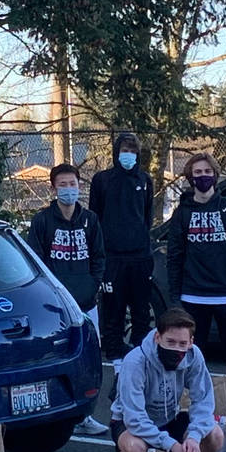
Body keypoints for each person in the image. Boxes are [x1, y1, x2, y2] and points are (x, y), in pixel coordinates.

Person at [111, 308, 222, 452]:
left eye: (182, 344)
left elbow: (203, 401)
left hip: (169, 417)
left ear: (191, 342)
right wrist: (172, 445)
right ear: (157, 337)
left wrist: (194, 436)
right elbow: (134, 417)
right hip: (130, 422)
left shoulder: (193, 355)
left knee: (215, 436)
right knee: (135, 449)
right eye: (170, 342)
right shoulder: (135, 361)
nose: (177, 349)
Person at [28, 163, 109, 435]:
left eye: (72, 184)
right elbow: (35, 261)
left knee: (88, 360)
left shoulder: (91, 220)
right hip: (55, 307)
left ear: (79, 186)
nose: (68, 190)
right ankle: (55, 415)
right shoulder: (42, 221)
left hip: (86, 303)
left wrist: (93, 284)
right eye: (62, 185)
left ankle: (85, 416)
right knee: (57, 360)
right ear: (53, 188)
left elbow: (99, 257)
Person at [167, 153, 226, 387]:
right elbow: (175, 257)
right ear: (190, 178)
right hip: (192, 296)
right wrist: (175, 297)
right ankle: (191, 406)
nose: (203, 177)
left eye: (207, 172)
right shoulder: (182, 213)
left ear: (215, 175)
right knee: (191, 356)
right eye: (198, 173)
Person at [89, 131, 157, 369]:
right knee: (113, 311)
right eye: (124, 151)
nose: (128, 155)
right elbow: (94, 217)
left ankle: (140, 356)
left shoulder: (145, 180)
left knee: (141, 311)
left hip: (140, 257)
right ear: (116, 153)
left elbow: (147, 217)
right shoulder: (102, 180)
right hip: (112, 258)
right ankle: (116, 359)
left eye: (132, 151)